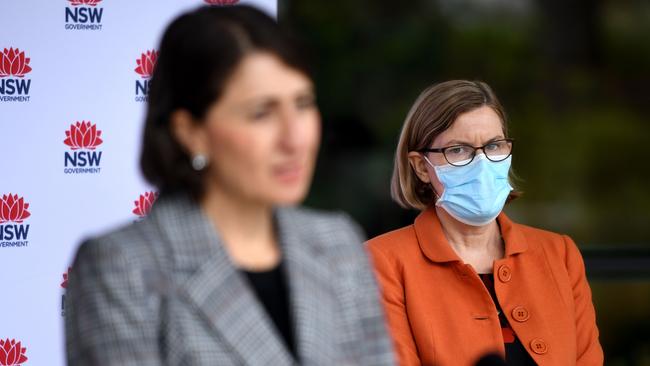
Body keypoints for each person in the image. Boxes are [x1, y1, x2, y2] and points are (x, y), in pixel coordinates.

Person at [65, 5, 395, 366]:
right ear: (190, 132)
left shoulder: (337, 243)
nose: (295, 138)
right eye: (261, 113)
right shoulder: (122, 266)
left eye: (302, 104)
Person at [367, 80, 603, 365]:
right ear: (421, 167)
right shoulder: (380, 263)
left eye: (493, 145)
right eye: (458, 150)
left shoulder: (560, 254)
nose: (482, 163)